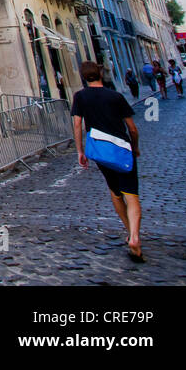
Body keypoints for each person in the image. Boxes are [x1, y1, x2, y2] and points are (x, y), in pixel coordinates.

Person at [71, 61, 143, 262]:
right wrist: (135, 146)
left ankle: (128, 231)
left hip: (100, 151)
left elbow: (77, 124)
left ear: (84, 77)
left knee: (115, 192)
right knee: (131, 194)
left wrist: (80, 150)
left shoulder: (80, 97)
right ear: (100, 74)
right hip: (121, 148)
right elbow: (133, 128)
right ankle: (135, 237)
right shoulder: (116, 97)